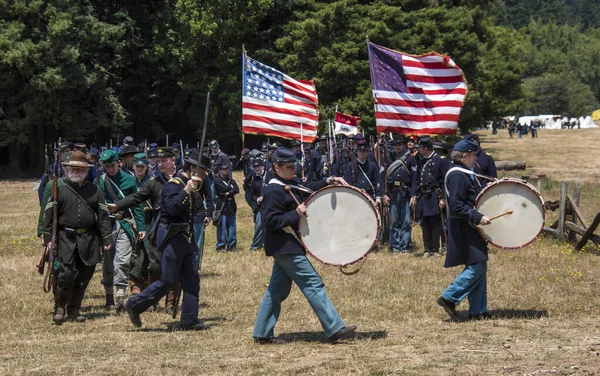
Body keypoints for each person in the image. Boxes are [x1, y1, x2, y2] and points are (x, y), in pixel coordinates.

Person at [252, 147, 357, 344]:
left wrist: (328, 180)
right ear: (277, 167)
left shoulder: (288, 182)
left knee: (276, 291)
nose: (293, 170)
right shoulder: (274, 189)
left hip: (288, 245)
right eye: (289, 167)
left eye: (294, 166)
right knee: (313, 283)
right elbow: (270, 221)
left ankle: (262, 333)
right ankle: (334, 328)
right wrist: (295, 214)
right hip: (285, 245)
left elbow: (306, 187)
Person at [123, 151, 211, 331]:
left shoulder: (194, 187)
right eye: (202, 171)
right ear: (193, 168)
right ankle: (135, 304)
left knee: (192, 280)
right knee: (167, 281)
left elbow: (197, 211)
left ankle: (189, 319)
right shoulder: (174, 185)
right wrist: (186, 190)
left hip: (186, 238)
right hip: (172, 237)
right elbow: (171, 209)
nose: (204, 175)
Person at [40, 151, 112, 323]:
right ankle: (60, 307)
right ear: (67, 169)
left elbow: (102, 215)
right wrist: (48, 237)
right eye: (74, 168)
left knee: (84, 276)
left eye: (81, 169)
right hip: (65, 238)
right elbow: (48, 214)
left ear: (86, 171)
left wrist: (107, 238)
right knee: (65, 274)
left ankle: (74, 310)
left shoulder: (95, 190)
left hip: (88, 239)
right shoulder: (59, 188)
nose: (77, 172)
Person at [107, 147, 179, 311]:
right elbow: (137, 197)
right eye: (158, 161)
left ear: (172, 161)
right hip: (159, 228)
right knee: (154, 265)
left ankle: (171, 302)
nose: (160, 164)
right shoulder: (153, 183)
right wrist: (118, 205)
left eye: (163, 161)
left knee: (175, 265)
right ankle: (151, 300)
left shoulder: (182, 180)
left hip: (179, 230)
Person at [437, 140, 492, 321]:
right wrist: (477, 217)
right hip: (462, 225)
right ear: (465, 155)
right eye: (474, 155)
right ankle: (449, 297)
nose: (476, 158)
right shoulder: (457, 175)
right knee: (478, 264)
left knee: (478, 263)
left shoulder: (464, 173)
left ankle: (478, 310)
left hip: (468, 224)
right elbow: (456, 204)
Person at [99, 149, 146, 310]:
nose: (110, 169)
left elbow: (137, 205)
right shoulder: (101, 181)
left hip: (124, 223)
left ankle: (120, 295)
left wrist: (141, 227)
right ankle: (108, 297)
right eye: (107, 166)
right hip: (106, 224)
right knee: (107, 262)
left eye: (112, 165)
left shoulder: (129, 180)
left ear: (118, 163)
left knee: (123, 260)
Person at [411, 137, 447, 258]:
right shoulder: (420, 161)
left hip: (434, 195)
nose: (418, 150)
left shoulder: (439, 160)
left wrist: (443, 198)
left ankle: (435, 249)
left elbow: (444, 181)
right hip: (423, 195)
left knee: (435, 223)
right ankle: (427, 249)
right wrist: (413, 195)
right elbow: (416, 180)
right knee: (424, 223)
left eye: (419, 148)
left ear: (425, 148)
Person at [383, 134, 418, 253]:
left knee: (406, 221)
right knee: (393, 222)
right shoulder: (388, 158)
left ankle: (405, 245)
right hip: (392, 193)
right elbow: (381, 178)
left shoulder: (410, 158)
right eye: (395, 145)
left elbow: (414, 178)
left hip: (405, 192)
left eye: (400, 145)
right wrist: (384, 194)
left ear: (404, 145)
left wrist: (413, 194)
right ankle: (395, 245)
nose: (397, 147)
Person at [214, 164, 239, 252]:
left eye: (227, 169)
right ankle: (221, 245)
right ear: (219, 170)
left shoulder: (231, 180)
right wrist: (230, 189)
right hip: (222, 206)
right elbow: (221, 189)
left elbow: (237, 189)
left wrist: (228, 192)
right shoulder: (217, 180)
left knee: (232, 227)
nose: (226, 171)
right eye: (223, 169)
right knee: (221, 227)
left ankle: (232, 245)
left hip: (231, 206)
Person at [244, 157, 267, 251]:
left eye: (258, 166)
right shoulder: (254, 180)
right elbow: (252, 194)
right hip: (260, 207)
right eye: (254, 167)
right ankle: (255, 246)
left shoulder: (269, 176)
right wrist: (257, 199)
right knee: (258, 226)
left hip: (271, 205)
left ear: (262, 166)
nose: (256, 168)